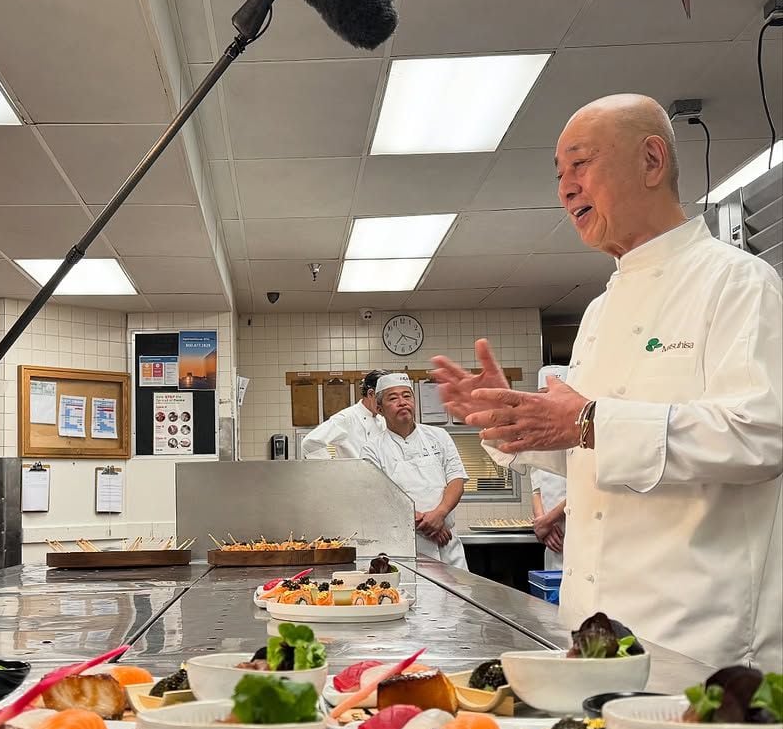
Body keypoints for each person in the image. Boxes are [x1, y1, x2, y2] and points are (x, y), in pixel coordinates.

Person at [431, 94, 782, 670]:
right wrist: (512, 425)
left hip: (699, 642)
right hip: (592, 630)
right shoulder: (598, 313)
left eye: (581, 164)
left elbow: (762, 435)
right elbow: (597, 453)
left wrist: (589, 420)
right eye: (560, 174)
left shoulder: (739, 282)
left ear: (651, 161)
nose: (565, 188)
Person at [362, 371, 468, 568]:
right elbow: (380, 496)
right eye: (393, 398)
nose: (402, 402)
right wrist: (429, 525)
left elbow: (457, 480)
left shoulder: (439, 436)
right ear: (379, 408)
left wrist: (440, 514)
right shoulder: (372, 449)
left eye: (407, 396)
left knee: (456, 598)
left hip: (447, 545)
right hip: (406, 549)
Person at [530, 366, 569, 571]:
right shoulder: (540, 438)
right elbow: (537, 488)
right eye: (541, 396)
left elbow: (587, 486)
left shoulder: (582, 433)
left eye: (550, 395)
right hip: (551, 539)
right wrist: (541, 522)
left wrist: (549, 519)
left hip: (574, 533)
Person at [300, 369, 385, 459]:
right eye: (389, 397)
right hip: (354, 472)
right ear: (371, 394)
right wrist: (333, 467)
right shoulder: (346, 418)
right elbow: (310, 443)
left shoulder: (382, 419)